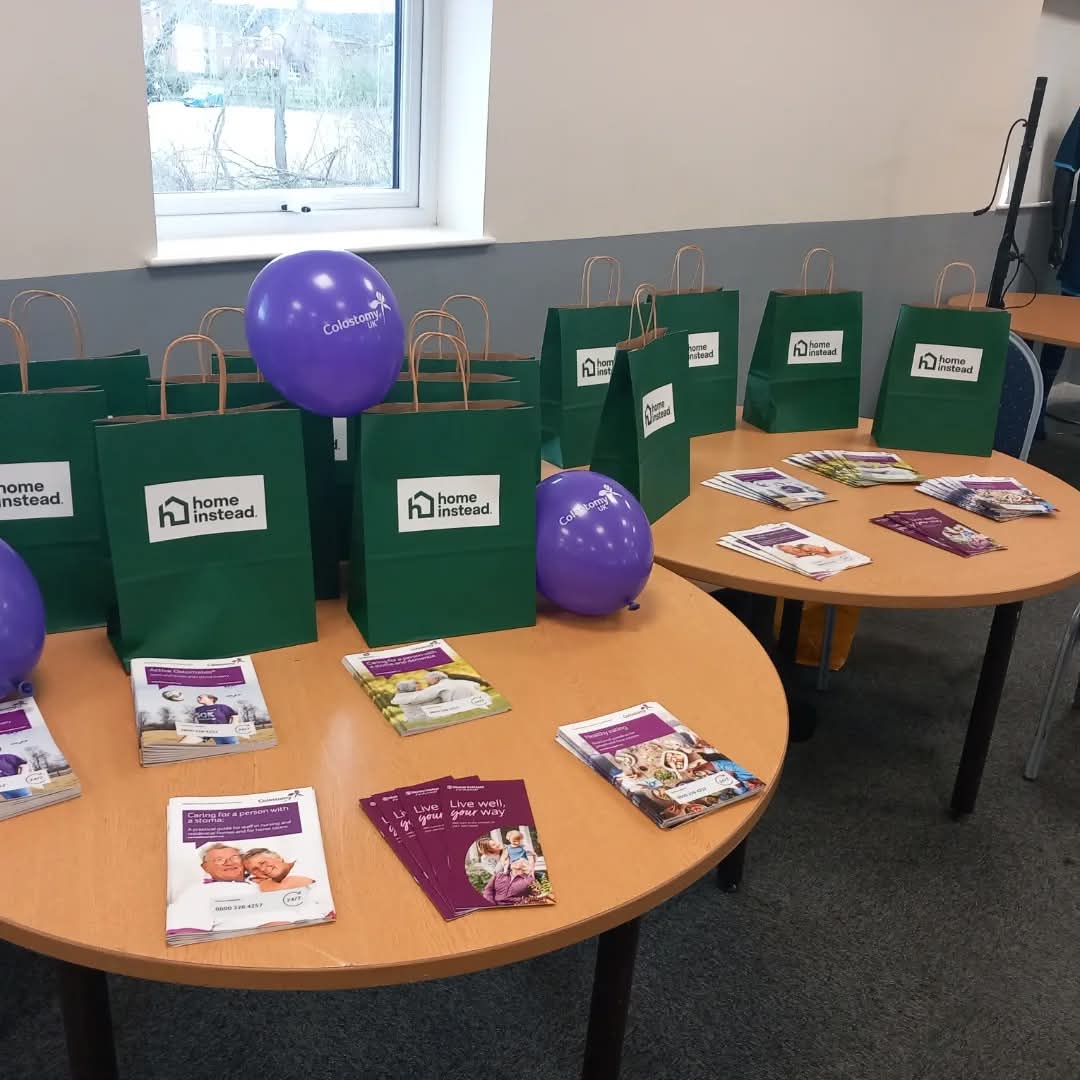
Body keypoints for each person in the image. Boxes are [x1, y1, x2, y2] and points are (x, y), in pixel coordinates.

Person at [167, 843, 261, 935]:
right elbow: (185, 936)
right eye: (219, 860)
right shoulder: (197, 892)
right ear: (205, 867)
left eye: (234, 857)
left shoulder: (261, 883)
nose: (229, 863)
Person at [242, 848, 315, 891]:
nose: (263, 869)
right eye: (255, 869)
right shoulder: (261, 884)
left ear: (277, 857)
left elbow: (288, 886)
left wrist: (264, 884)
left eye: (262, 863)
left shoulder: (305, 863)